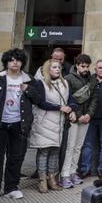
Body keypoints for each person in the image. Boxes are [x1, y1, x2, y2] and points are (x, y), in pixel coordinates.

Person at [0, 48, 40, 202]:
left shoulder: (29, 79)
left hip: (19, 124)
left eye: (18, 59)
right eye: (11, 60)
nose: (14, 62)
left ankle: (11, 187)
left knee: (16, 158)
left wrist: (28, 89)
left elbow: (38, 99)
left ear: (22, 62)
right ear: (6, 62)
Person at [29, 60, 71, 193]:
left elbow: (70, 100)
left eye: (59, 67)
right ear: (48, 69)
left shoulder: (64, 83)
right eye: (54, 67)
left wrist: (72, 108)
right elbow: (40, 102)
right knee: (44, 151)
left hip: (59, 122)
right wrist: (59, 107)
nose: (57, 69)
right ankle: (42, 180)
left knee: (54, 151)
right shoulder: (41, 83)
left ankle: (52, 179)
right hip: (44, 121)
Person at [61, 54, 95, 188]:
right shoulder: (68, 78)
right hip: (73, 117)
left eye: (87, 66)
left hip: (86, 118)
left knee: (78, 147)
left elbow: (94, 99)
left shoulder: (92, 79)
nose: (85, 68)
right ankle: (65, 175)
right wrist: (78, 114)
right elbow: (68, 98)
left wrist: (89, 115)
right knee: (70, 147)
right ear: (77, 65)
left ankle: (73, 172)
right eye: (83, 66)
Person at [79, 60, 102, 180]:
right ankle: (85, 170)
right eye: (100, 68)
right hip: (90, 118)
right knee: (87, 145)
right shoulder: (89, 80)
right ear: (95, 69)